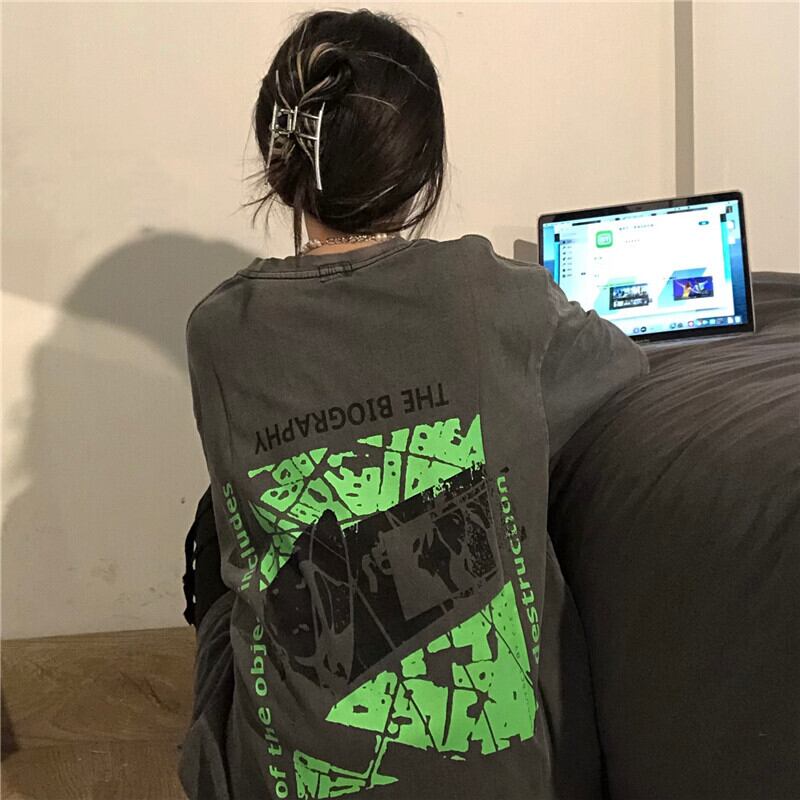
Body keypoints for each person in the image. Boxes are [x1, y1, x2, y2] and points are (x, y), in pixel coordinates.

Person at [178, 8, 649, 800]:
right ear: (422, 166)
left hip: (289, 782)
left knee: (214, 533)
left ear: (277, 161)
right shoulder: (495, 295)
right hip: (513, 781)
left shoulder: (217, 331)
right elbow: (622, 368)